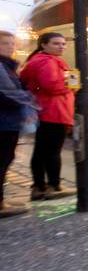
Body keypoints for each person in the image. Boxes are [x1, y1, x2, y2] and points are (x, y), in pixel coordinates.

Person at [19, 32, 76, 200]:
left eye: (63, 44)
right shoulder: (47, 62)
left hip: (45, 111)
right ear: (43, 45)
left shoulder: (37, 60)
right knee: (52, 151)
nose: (61, 47)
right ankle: (54, 186)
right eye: (56, 43)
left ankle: (39, 187)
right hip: (54, 112)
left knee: (41, 151)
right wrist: (73, 85)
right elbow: (52, 86)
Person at [0, 31, 33, 216]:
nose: (10, 47)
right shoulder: (1, 66)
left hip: (8, 121)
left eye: (12, 43)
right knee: (2, 160)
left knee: (5, 159)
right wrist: (28, 99)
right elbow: (8, 95)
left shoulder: (7, 65)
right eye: (5, 43)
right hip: (4, 122)